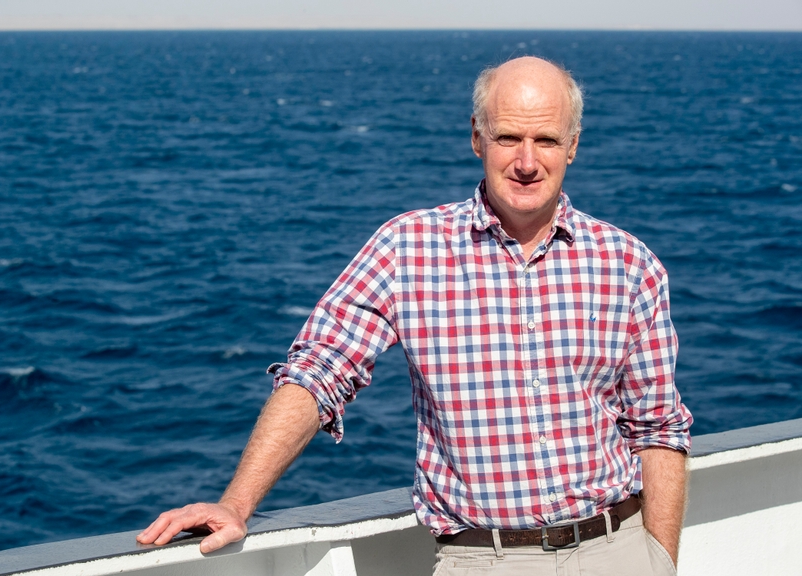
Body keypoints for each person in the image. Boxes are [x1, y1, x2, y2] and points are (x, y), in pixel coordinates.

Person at [137, 56, 692, 575]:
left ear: (572, 146)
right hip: (484, 559)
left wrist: (658, 562)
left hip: (616, 551)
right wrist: (237, 502)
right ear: (477, 136)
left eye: (545, 139)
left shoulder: (628, 263)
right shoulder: (407, 249)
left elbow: (659, 430)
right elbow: (320, 372)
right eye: (507, 137)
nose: (527, 161)